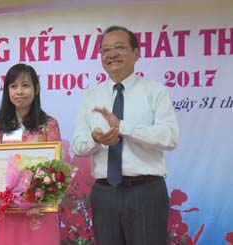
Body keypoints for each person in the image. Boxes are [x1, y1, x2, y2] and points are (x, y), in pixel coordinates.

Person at [72, 25, 179, 245]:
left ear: (136, 53)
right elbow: (78, 146)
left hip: (146, 191)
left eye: (119, 47)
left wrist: (124, 127)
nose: (111, 54)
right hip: (104, 193)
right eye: (105, 50)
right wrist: (95, 139)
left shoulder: (155, 92)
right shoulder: (91, 96)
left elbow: (169, 137)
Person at [0, 63, 62, 245]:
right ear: (7, 91)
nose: (19, 91)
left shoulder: (49, 125)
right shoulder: (0, 127)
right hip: (9, 209)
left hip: (38, 210)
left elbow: (57, 170)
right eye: (14, 86)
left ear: (37, 89)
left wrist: (42, 201)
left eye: (25, 85)